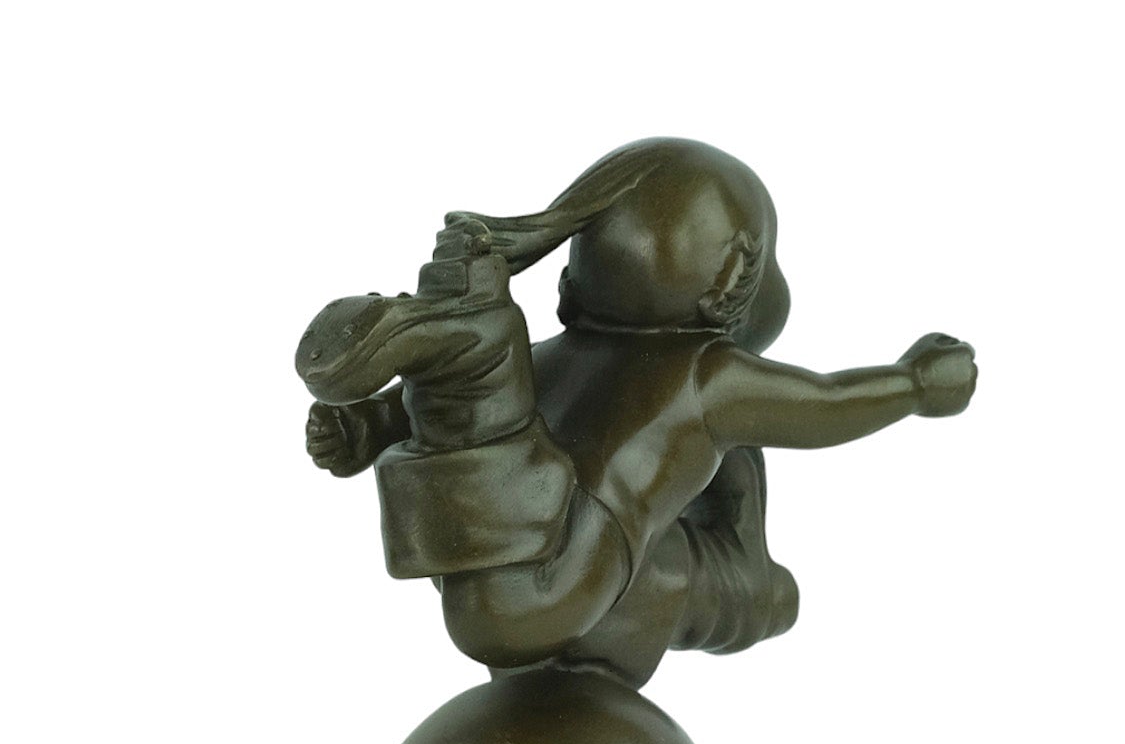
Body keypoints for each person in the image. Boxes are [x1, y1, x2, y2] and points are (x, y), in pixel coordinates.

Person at [296, 139, 976, 687]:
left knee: (493, 416)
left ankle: (463, 347)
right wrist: (914, 384)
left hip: (489, 571)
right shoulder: (708, 378)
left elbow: (407, 423)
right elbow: (826, 405)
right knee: (684, 569)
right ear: (729, 281)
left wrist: (365, 427)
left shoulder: (562, 358)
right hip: (552, 584)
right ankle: (463, 346)